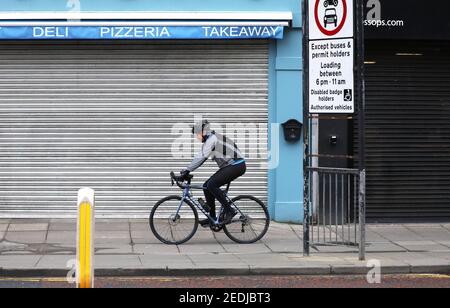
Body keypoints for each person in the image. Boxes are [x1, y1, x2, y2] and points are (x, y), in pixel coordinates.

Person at [180, 120, 246, 227]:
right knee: (207, 185)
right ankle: (212, 218)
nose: (197, 137)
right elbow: (200, 157)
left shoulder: (212, 139)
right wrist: (187, 170)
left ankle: (230, 210)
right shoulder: (211, 140)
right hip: (231, 166)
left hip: (236, 165)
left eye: (198, 134)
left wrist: (187, 170)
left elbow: (201, 157)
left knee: (212, 184)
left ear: (204, 132)